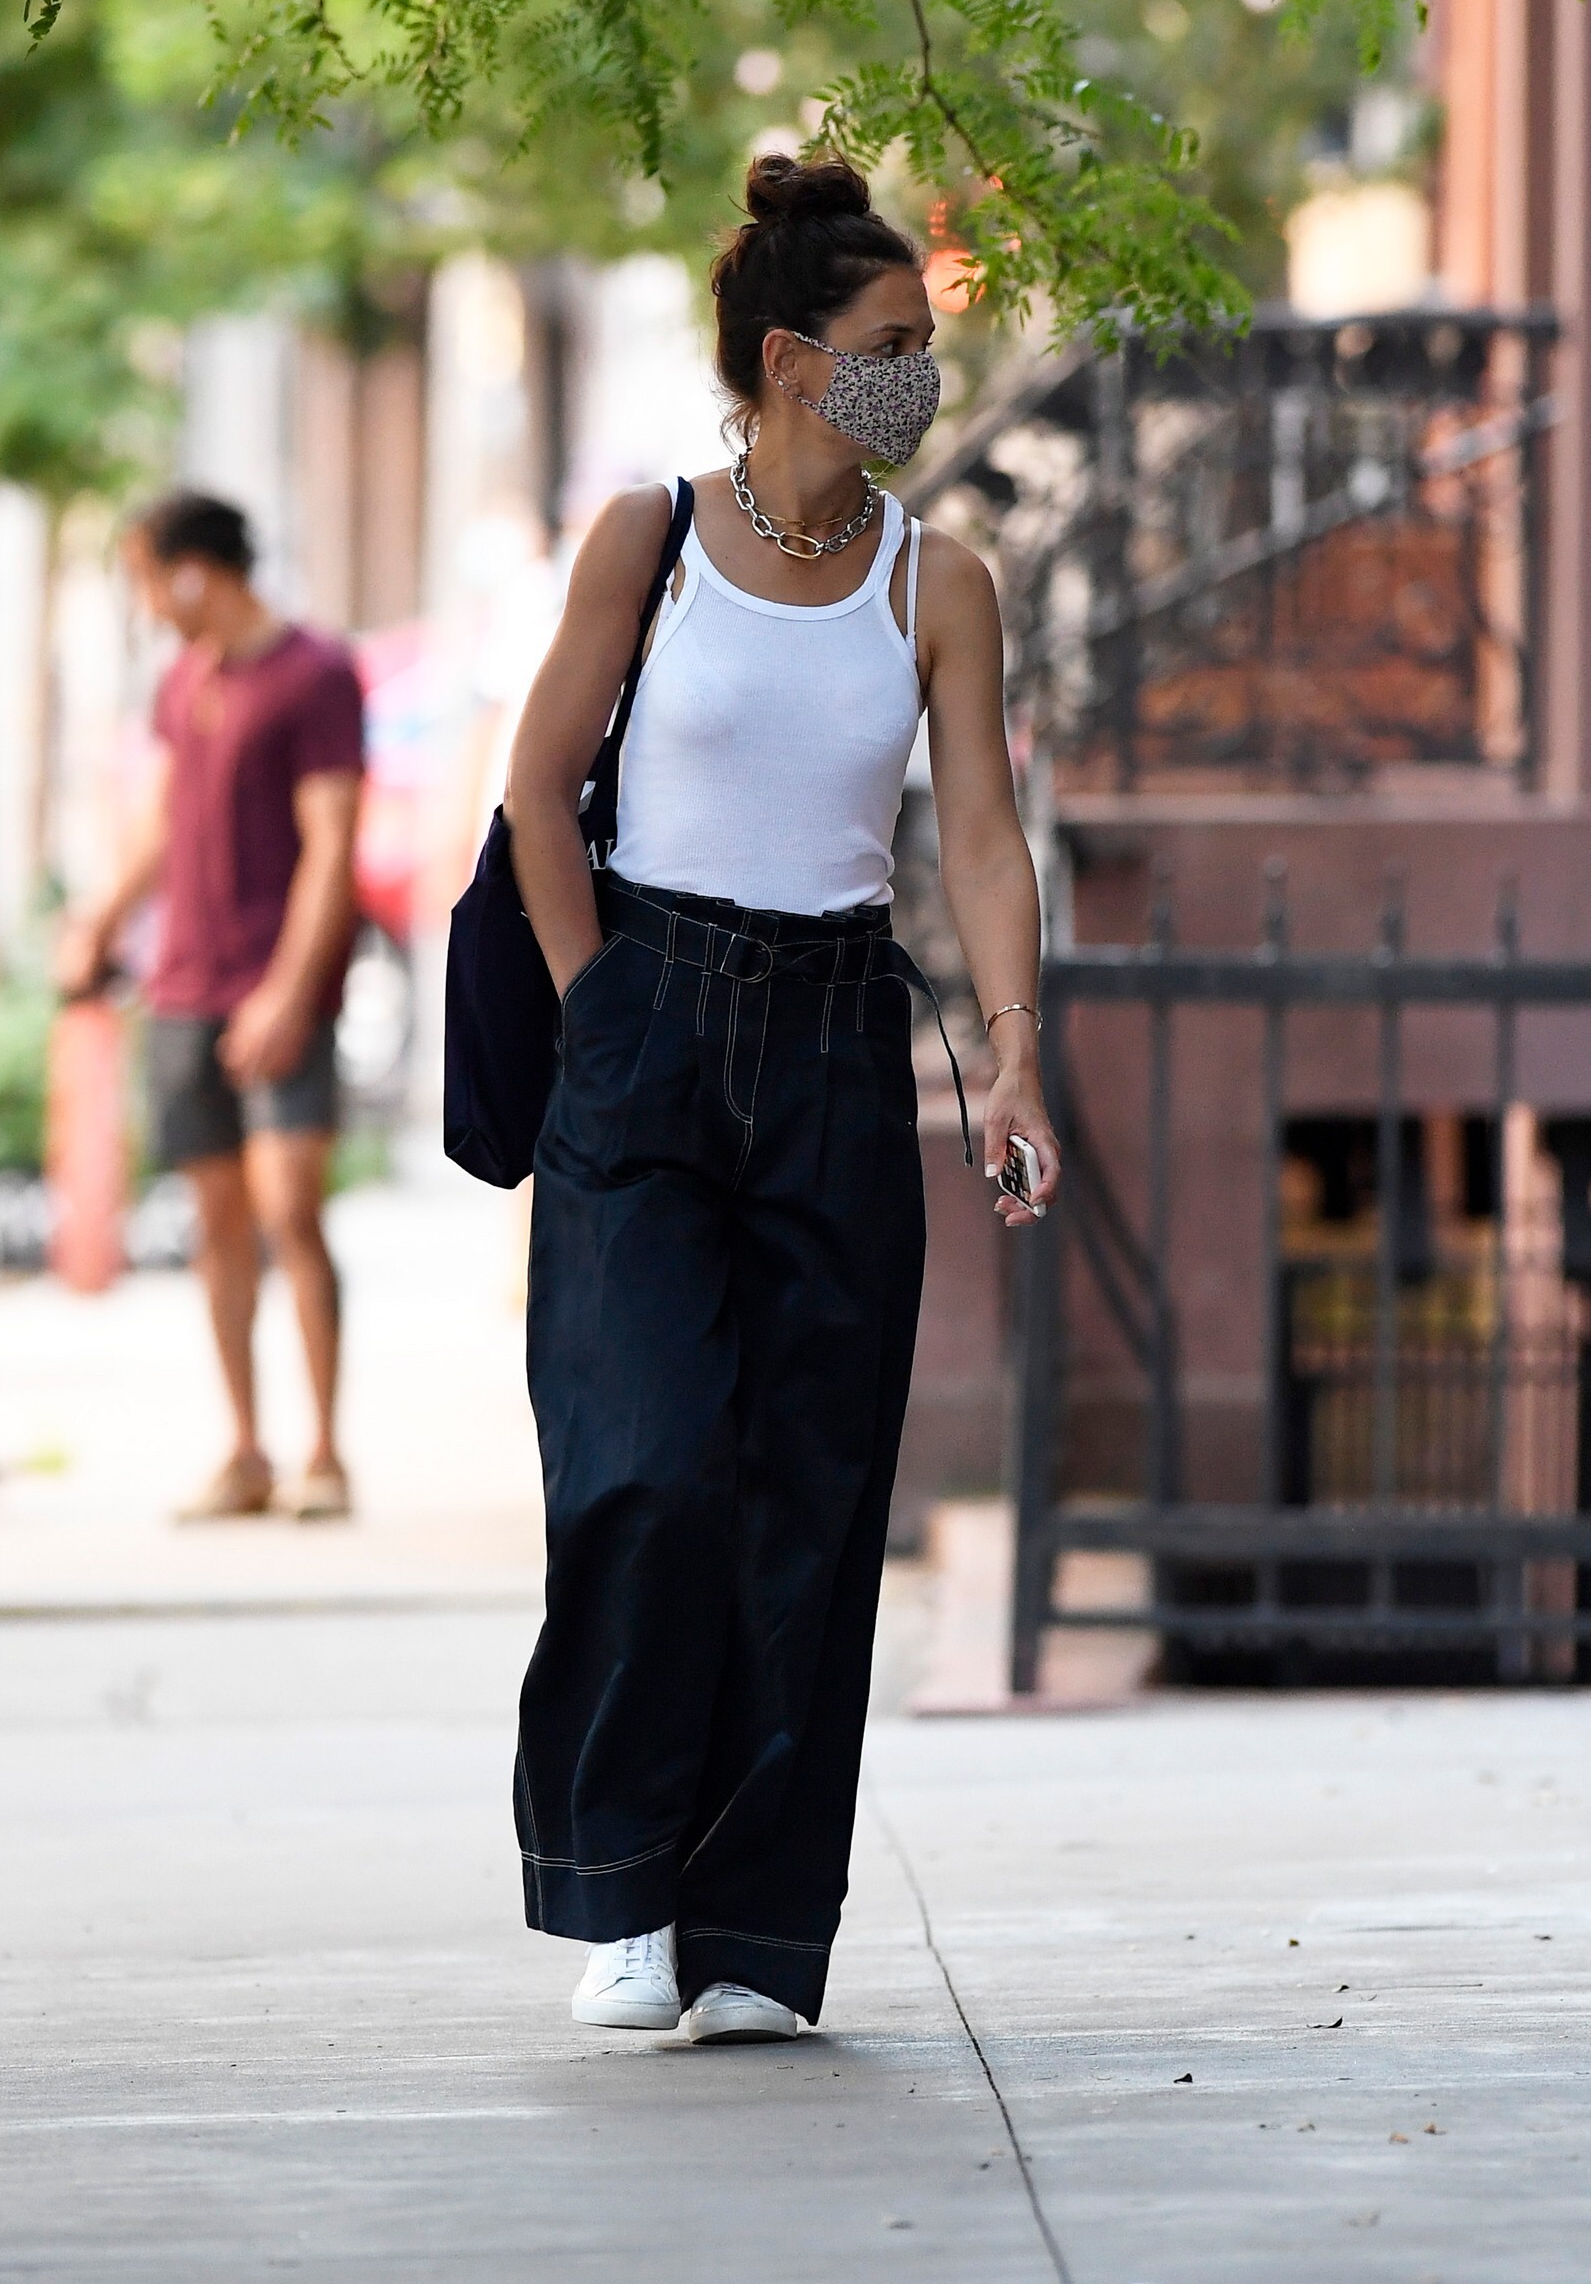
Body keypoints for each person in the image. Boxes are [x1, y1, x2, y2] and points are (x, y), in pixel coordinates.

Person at [503, 152, 1060, 2047]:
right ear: (791, 361)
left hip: (834, 1039)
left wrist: (1012, 1048)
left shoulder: (937, 579)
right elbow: (537, 792)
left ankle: (752, 1934)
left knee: (808, 1503)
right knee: (646, 1470)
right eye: (893, 342)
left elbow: (976, 836)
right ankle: (620, 1895)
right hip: (648, 1024)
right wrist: (599, 1013)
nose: (921, 373)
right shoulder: (647, 537)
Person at [58, 491, 364, 1522]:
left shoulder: (315, 674)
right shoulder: (183, 680)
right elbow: (160, 819)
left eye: (149, 577)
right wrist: (101, 921)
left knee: (292, 1211)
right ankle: (245, 1451)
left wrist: (288, 990)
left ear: (196, 570)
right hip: (184, 985)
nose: (147, 601)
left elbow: (332, 842)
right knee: (217, 1222)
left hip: (276, 988)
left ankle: (326, 1453)